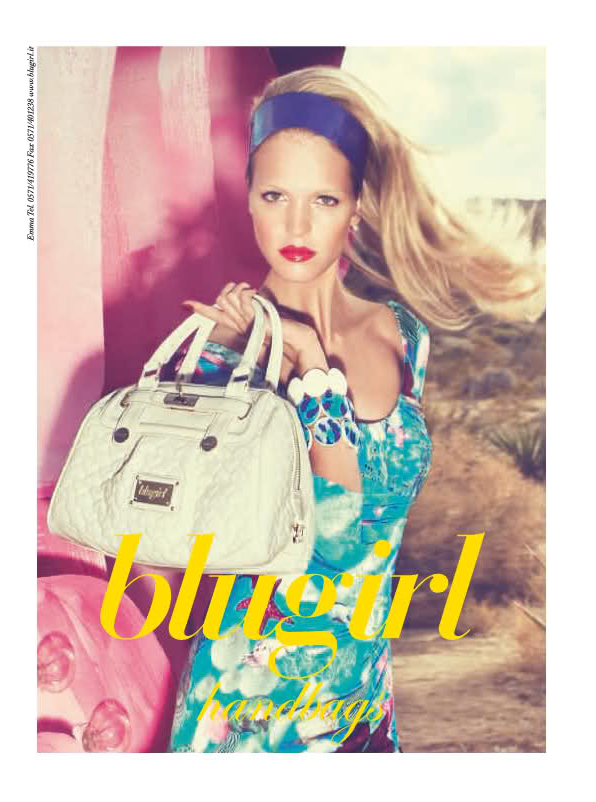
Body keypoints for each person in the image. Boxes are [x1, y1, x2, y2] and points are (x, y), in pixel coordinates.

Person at [166, 66, 543, 753]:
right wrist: (307, 368)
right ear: (248, 200)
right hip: (250, 705)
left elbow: (379, 528)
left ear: (356, 207)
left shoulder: (403, 336)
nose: (297, 224)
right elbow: (334, 530)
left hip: (364, 693)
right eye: (275, 196)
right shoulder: (221, 355)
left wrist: (312, 364)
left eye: (324, 199)